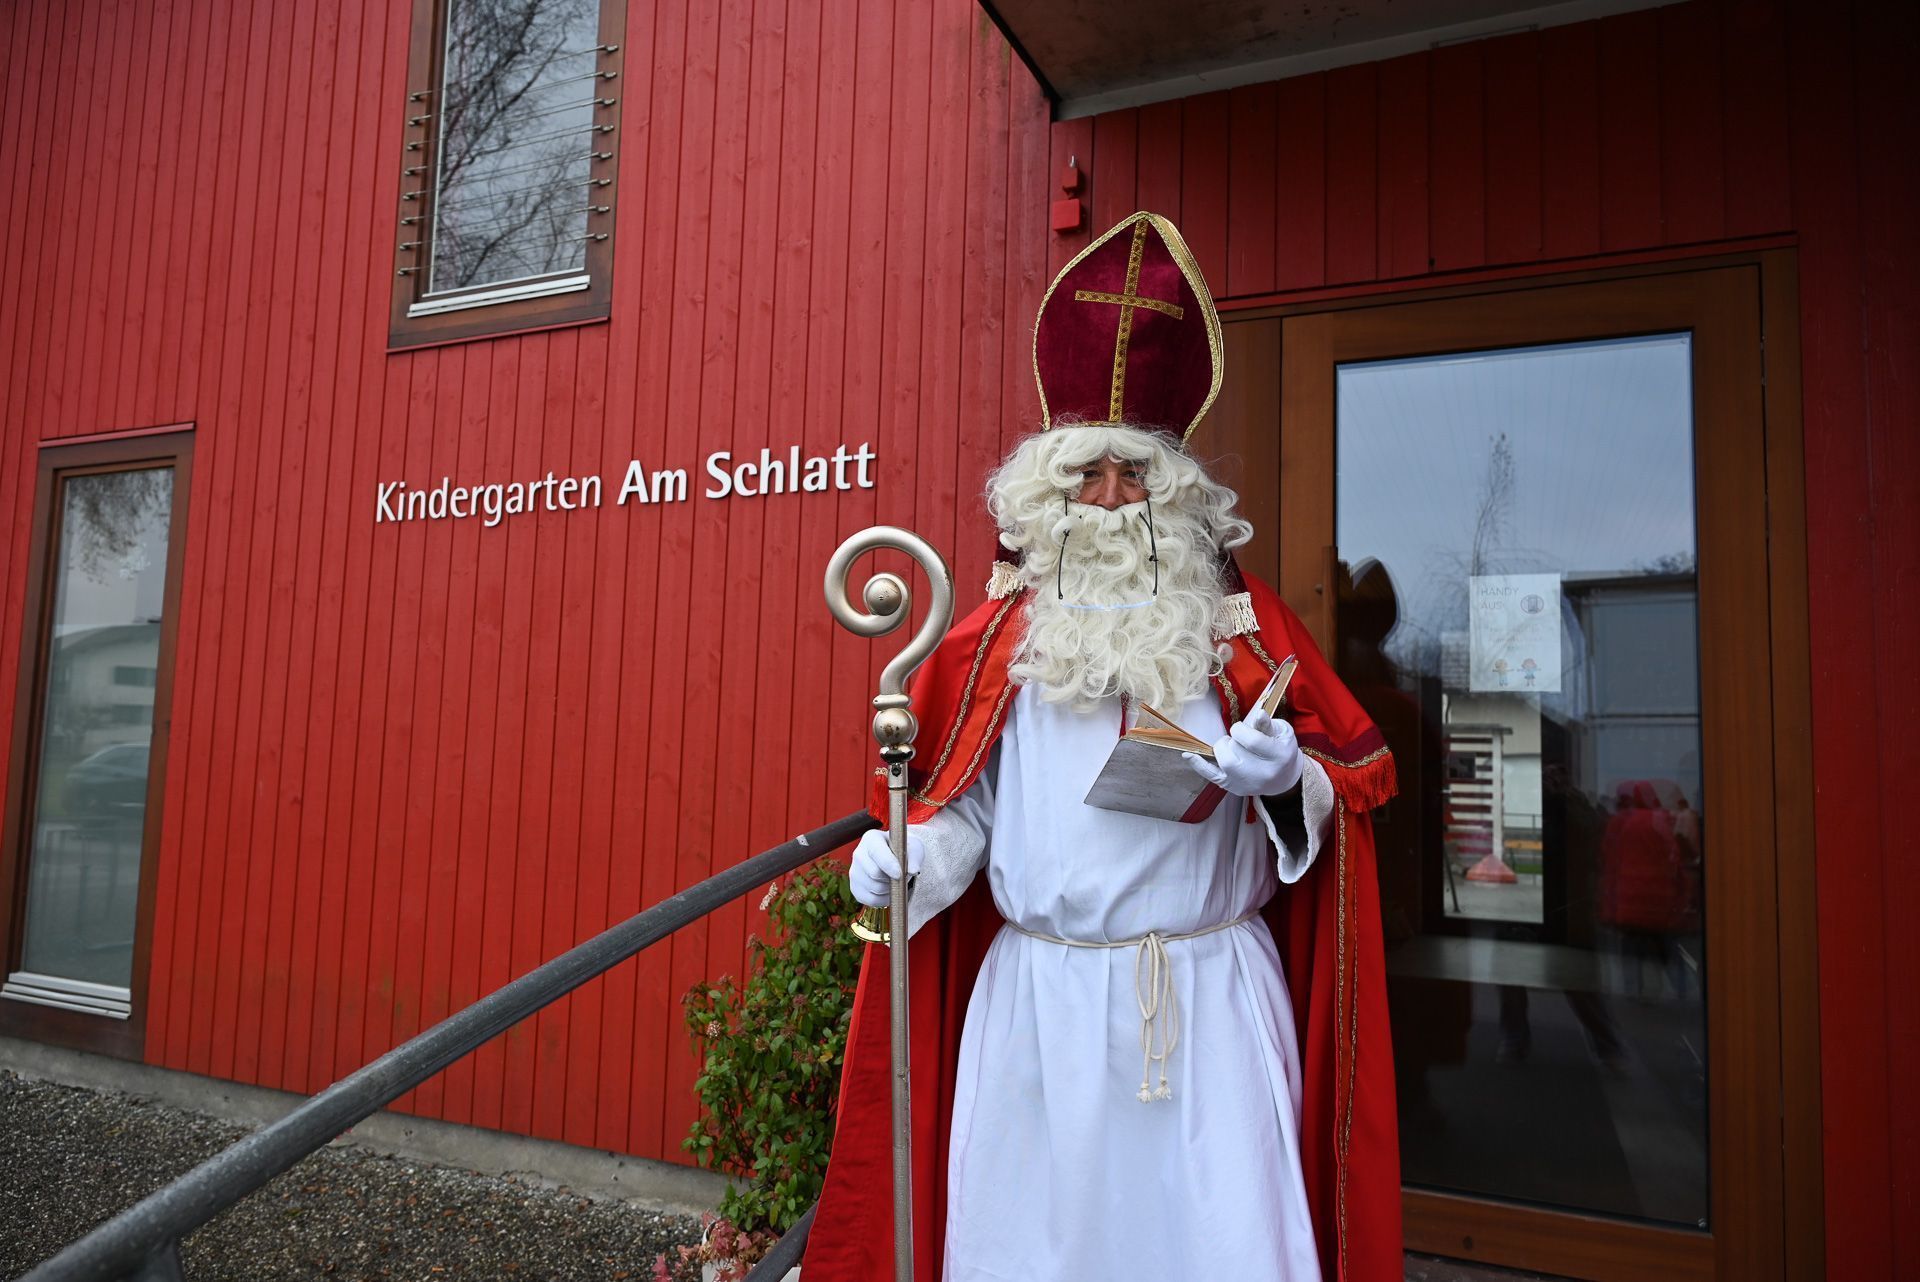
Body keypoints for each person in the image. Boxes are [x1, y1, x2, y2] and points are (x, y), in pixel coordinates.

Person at [802, 212, 1401, 1282]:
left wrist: (1285, 786)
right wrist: (909, 860)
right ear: (1047, 490)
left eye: (1137, 477)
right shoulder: (993, 642)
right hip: (1045, 1010)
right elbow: (967, 810)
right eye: (1088, 477)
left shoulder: (1241, 628)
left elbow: (1345, 776)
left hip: (1208, 1004)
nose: (1114, 501)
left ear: (1176, 496)